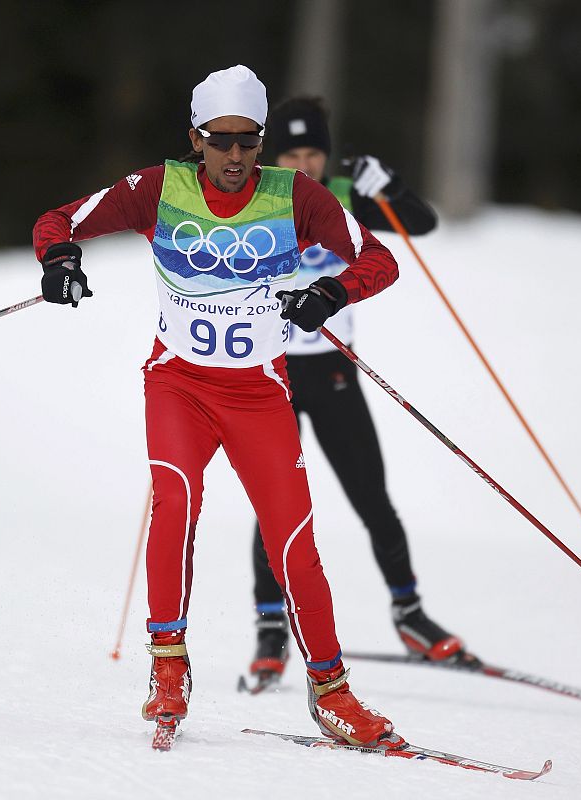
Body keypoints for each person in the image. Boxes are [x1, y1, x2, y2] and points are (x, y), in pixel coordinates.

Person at [32, 66, 404, 748]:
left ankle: (333, 692)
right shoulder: (157, 188)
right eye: (220, 141)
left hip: (259, 393)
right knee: (175, 501)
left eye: (248, 142)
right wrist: (58, 261)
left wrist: (329, 293)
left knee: (295, 540)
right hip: (179, 385)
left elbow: (380, 259)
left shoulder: (297, 195)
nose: (235, 157)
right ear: (196, 139)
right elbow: (59, 221)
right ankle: (168, 667)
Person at [246, 97, 478, 690]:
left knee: (372, 497)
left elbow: (420, 225)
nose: (304, 165)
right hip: (269, 374)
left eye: (313, 153)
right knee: (276, 508)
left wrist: (393, 189)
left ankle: (410, 615)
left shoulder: (344, 196)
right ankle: (271, 631)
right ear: (275, 157)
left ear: (326, 154)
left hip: (333, 372)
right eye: (292, 155)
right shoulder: (253, 195)